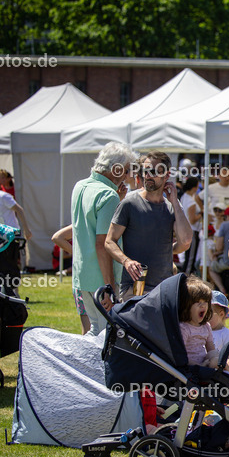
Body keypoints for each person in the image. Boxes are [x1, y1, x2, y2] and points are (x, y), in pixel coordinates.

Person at [105, 151, 192, 300]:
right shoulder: (129, 203)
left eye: (154, 171)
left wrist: (175, 202)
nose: (148, 175)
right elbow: (109, 241)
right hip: (134, 288)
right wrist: (126, 261)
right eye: (145, 171)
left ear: (166, 175)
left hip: (164, 288)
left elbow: (185, 242)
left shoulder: (172, 207)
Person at [72, 142, 134, 335]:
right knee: (107, 334)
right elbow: (103, 244)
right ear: (115, 170)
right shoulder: (108, 195)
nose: (126, 176)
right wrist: (110, 286)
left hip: (82, 274)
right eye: (125, 171)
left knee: (95, 330)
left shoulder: (80, 186)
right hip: (101, 277)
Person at [180, 277, 217, 367]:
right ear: (186, 306)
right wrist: (199, 366)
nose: (203, 305)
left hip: (205, 363)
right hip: (191, 366)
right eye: (198, 302)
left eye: (206, 301)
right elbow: (181, 356)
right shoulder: (184, 328)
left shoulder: (206, 326)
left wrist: (216, 358)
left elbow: (210, 348)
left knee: (216, 359)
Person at [209, 206, 229, 294]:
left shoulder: (225, 225)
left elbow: (218, 247)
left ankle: (222, 289)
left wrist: (217, 252)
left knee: (212, 268)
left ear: (228, 216)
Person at [179, 176, 202, 275]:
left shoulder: (184, 197)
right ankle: (186, 276)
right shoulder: (191, 201)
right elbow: (192, 219)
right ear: (194, 187)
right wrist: (201, 213)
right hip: (192, 231)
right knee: (190, 258)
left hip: (185, 230)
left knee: (188, 257)